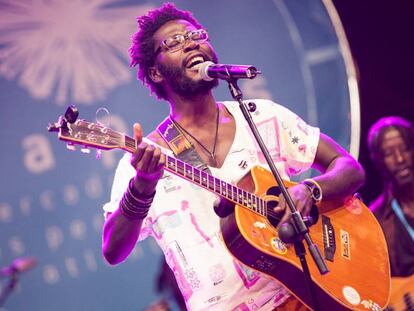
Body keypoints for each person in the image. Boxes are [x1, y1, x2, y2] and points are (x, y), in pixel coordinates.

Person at [102, 3, 365, 310]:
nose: (191, 43)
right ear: (156, 72)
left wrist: (308, 190)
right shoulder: (146, 158)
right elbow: (113, 250)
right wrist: (142, 187)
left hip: (305, 295)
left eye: (196, 35)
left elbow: (349, 168)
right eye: (174, 42)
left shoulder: (263, 116)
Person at [367, 116, 414, 278]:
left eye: (405, 149)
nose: (400, 159)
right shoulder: (375, 222)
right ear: (378, 161)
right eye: (389, 153)